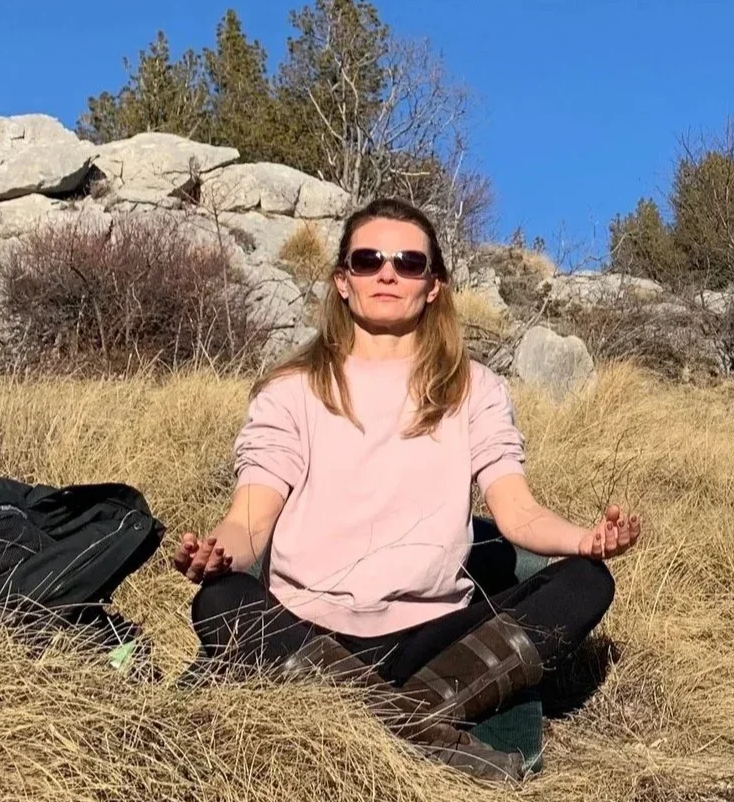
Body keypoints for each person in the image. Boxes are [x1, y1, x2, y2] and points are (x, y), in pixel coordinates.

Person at [173, 198, 642, 780]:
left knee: (584, 584)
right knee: (218, 600)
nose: (387, 273)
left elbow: (516, 513)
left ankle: (372, 723)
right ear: (344, 283)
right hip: (308, 628)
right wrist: (218, 555)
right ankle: (424, 732)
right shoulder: (291, 391)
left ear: (435, 285)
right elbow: (249, 519)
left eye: (408, 262)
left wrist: (588, 540)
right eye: (368, 260)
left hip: (431, 637)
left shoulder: (476, 389)